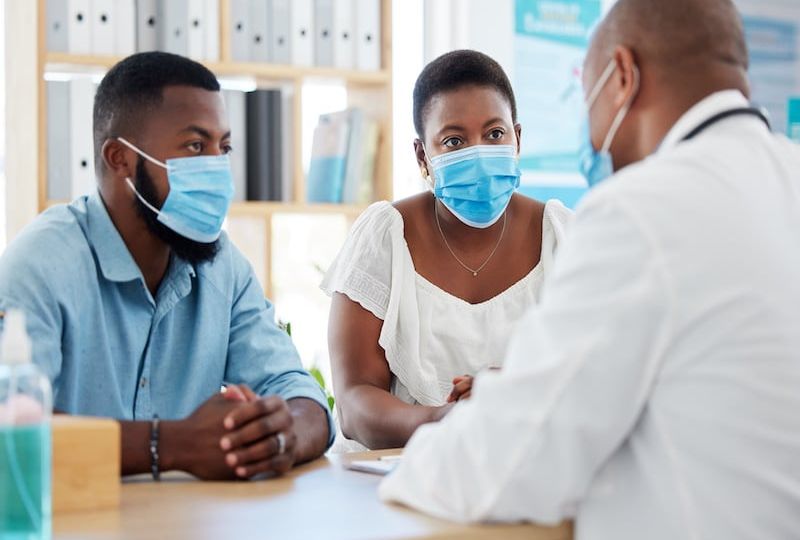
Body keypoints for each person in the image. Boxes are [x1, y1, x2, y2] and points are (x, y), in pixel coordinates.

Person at [380, 1, 800, 538]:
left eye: (587, 99)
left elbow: (509, 463)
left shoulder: (640, 209)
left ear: (622, 76)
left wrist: (411, 466)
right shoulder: (784, 176)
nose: (593, 133)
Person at [0, 52, 333, 480]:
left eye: (224, 148)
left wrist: (278, 436)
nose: (218, 168)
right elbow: (11, 429)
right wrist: (170, 445)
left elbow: (299, 393)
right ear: (120, 158)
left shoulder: (223, 266)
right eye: (196, 146)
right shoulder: (39, 266)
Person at [322, 50, 572, 451]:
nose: (478, 153)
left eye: (494, 134)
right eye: (454, 141)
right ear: (423, 156)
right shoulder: (384, 236)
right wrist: (444, 420)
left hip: (532, 475)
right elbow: (354, 403)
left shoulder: (564, 238)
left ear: (518, 138)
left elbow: (602, 377)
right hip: (394, 483)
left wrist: (515, 392)